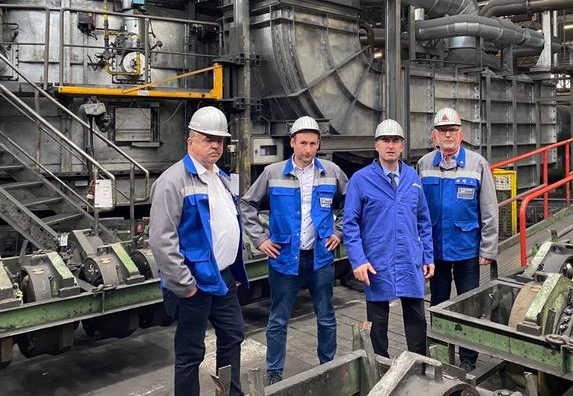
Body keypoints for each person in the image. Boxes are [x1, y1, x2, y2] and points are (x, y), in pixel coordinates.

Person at [240, 116, 348, 385]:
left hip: (320, 258)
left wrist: (339, 231)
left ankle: (328, 364)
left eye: (313, 143)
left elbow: (351, 204)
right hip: (285, 258)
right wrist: (260, 239)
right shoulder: (273, 173)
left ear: (318, 144)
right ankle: (274, 371)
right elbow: (247, 205)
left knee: (326, 316)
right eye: (303, 143)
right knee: (278, 319)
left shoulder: (332, 172)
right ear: (292, 143)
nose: (308, 149)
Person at [149, 106, 248, 396]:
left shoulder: (221, 178)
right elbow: (161, 239)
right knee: (191, 352)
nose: (216, 145)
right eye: (208, 139)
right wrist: (185, 286)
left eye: (220, 140)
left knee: (233, 334)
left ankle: (230, 393)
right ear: (190, 140)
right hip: (194, 283)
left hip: (223, 279)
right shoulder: (173, 181)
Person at [343, 119, 434, 358]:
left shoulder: (412, 177)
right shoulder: (361, 180)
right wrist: (358, 260)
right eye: (385, 141)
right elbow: (349, 224)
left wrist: (428, 256)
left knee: (416, 318)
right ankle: (380, 370)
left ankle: (419, 365)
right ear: (376, 145)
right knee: (377, 321)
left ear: (402, 146)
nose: (390, 146)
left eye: (396, 141)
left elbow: (424, 220)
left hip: (409, 259)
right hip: (376, 260)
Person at [416, 107, 498, 371]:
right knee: (438, 304)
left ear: (461, 134)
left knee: (468, 305)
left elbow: (489, 209)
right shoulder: (424, 164)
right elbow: (417, 210)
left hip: (467, 250)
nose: (447, 135)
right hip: (436, 251)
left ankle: (468, 358)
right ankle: (439, 352)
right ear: (434, 137)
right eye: (442, 131)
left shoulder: (477, 163)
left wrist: (488, 248)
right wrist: (420, 249)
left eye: (452, 130)